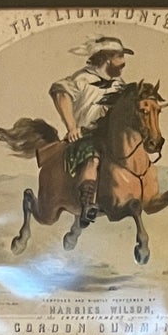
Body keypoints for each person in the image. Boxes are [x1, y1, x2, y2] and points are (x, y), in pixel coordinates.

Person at [48, 36, 133, 225]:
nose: (123, 63)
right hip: (87, 136)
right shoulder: (82, 78)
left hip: (111, 137)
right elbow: (61, 93)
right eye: (120, 56)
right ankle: (87, 205)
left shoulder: (120, 84)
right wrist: (71, 127)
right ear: (107, 58)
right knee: (93, 158)